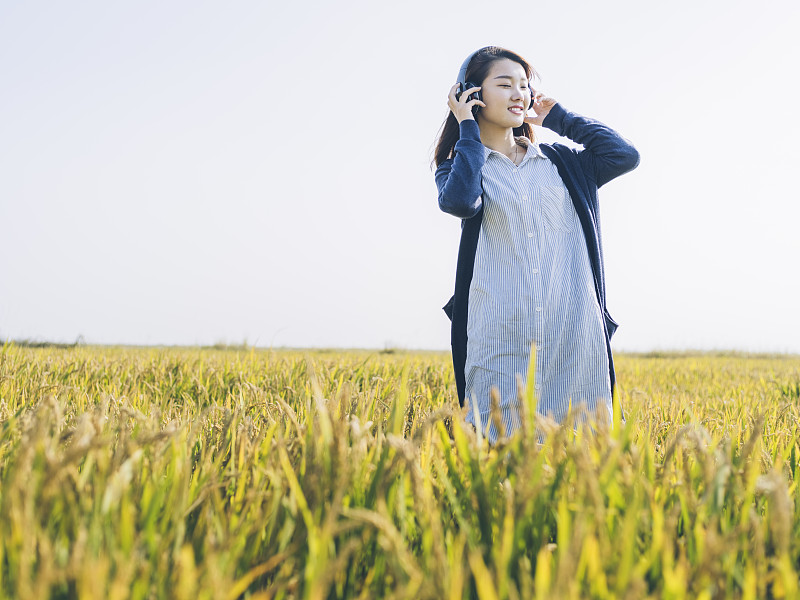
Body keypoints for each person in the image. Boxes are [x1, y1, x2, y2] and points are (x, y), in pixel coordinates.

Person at [432, 46, 639, 444]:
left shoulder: (564, 164)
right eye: (505, 84)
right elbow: (459, 201)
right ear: (472, 94)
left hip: (574, 334)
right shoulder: (461, 166)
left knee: (585, 456)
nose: (518, 94)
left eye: (524, 86)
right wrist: (468, 131)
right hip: (498, 335)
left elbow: (625, 155)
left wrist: (559, 117)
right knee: (498, 455)